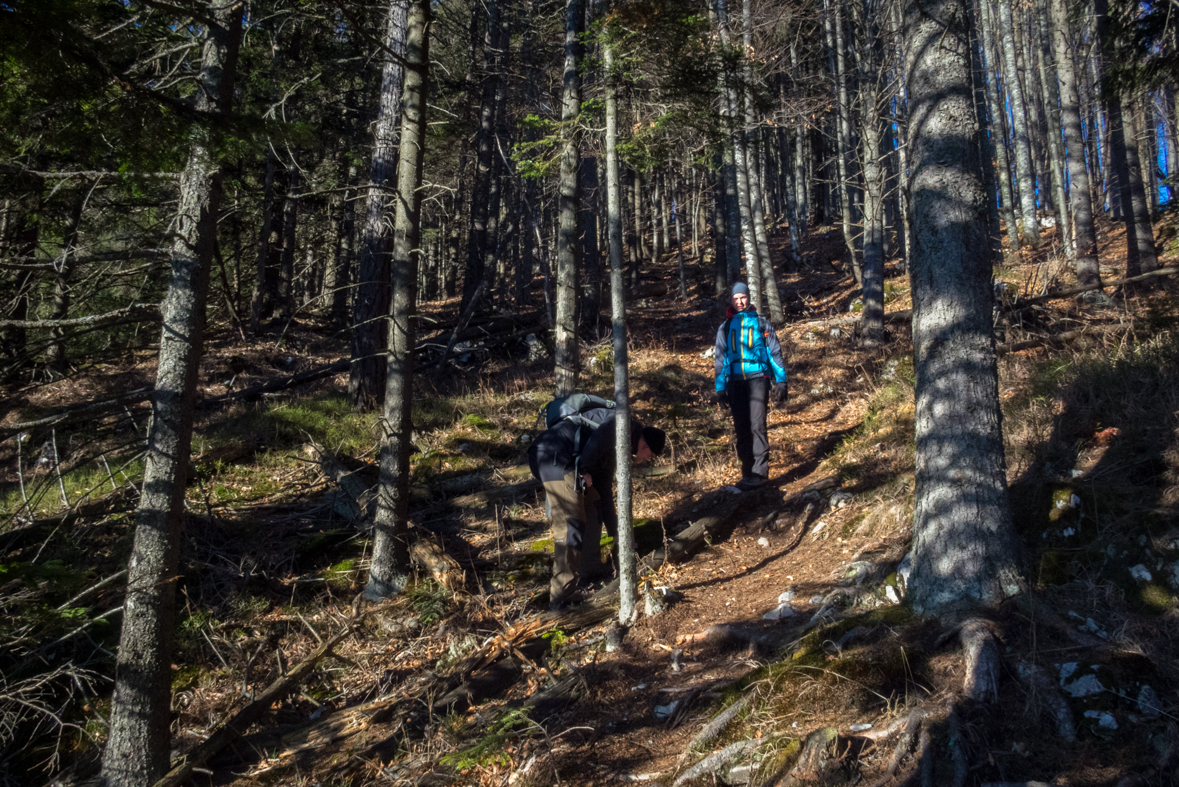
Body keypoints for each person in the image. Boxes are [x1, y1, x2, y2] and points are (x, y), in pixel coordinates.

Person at [528, 410, 667, 610]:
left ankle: (590, 570)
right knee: (570, 524)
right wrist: (583, 469)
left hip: (560, 458)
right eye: (650, 456)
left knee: (594, 503)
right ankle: (561, 596)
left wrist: (619, 536)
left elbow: (604, 495)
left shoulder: (618, 447)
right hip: (554, 455)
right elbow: (597, 439)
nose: (646, 460)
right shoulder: (623, 424)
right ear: (645, 445)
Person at [714, 281, 787, 490]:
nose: (739, 302)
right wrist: (720, 389)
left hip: (758, 379)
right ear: (731, 300)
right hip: (735, 383)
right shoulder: (725, 327)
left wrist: (781, 381)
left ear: (749, 297)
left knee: (757, 425)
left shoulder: (762, 323)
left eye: (743, 298)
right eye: (735, 299)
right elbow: (720, 360)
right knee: (741, 428)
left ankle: (760, 474)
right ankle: (747, 473)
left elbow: (774, 353)